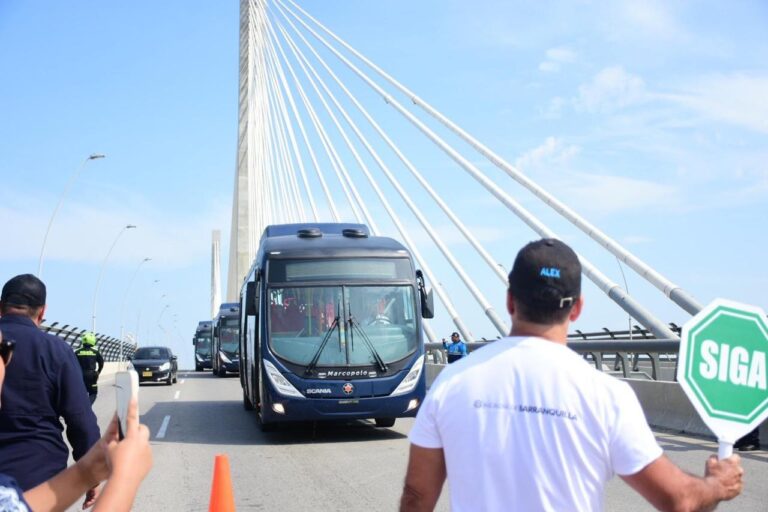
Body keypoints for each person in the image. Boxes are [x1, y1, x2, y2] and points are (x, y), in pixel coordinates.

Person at [400, 238, 744, 511]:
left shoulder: (452, 382)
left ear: (509, 301)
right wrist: (717, 484)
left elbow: (417, 497)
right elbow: (678, 500)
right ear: (577, 308)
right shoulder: (607, 394)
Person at [0, 328, 153, 511]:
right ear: (42, 312)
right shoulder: (60, 349)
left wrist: (87, 472)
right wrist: (126, 477)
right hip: (45, 465)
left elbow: (15, 506)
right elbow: (79, 414)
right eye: (4, 350)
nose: (7, 360)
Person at [0, 274, 101, 507]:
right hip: (40, 479)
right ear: (42, 312)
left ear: (1, 305)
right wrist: (91, 477)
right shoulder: (56, 350)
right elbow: (80, 420)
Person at [75, 331, 104, 404]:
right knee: (93, 393)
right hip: (92, 376)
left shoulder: (77, 351)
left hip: (80, 375)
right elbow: (101, 362)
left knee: (81, 393)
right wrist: (98, 372)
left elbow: (72, 363)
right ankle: (88, 406)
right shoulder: (95, 352)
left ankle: (81, 406)